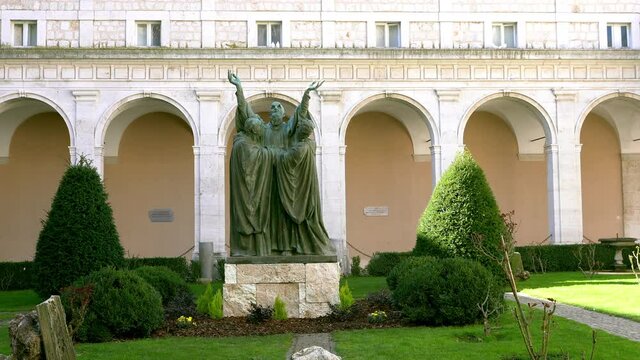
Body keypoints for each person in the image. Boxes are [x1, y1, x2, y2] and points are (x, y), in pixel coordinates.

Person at [228, 72, 275, 256]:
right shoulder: (245, 145)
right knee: (252, 216)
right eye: (261, 128)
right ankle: (248, 251)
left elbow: (244, 110)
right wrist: (272, 154)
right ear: (255, 131)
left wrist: (239, 90)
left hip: (254, 191)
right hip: (248, 195)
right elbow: (256, 161)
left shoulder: (245, 138)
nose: (264, 130)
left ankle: (258, 250)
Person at [275, 119, 336, 255]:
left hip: (300, 190)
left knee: (297, 215)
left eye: (298, 129)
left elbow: (286, 160)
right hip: (308, 187)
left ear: (301, 131)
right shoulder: (310, 144)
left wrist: (275, 153)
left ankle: (305, 246)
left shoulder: (300, 148)